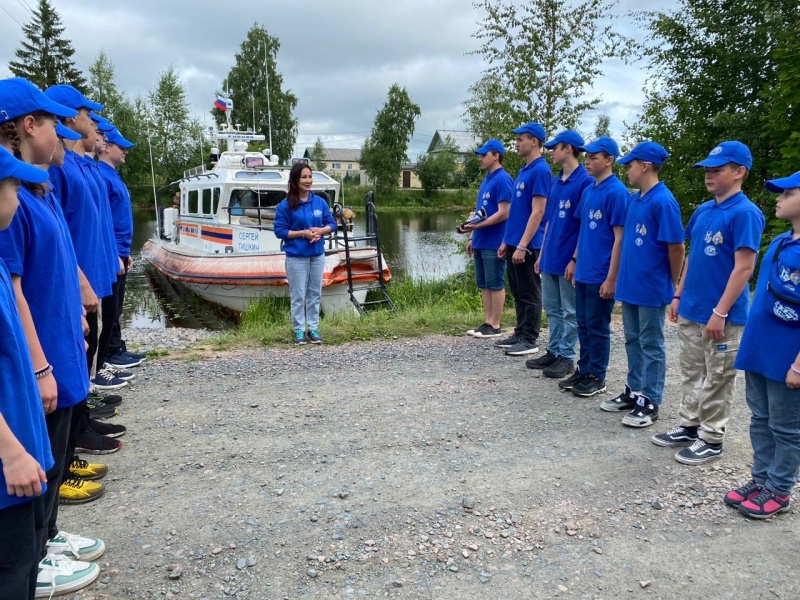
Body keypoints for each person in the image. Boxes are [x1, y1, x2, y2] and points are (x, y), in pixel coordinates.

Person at [0, 77, 101, 598]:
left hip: (61, 348)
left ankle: (48, 538)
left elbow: (58, 264)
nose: (62, 134)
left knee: (56, 453)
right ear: (26, 126)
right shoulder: (12, 201)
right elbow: (16, 291)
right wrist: (40, 366)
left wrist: (80, 306)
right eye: (52, 124)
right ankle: (35, 556)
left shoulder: (38, 189)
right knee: (41, 460)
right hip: (42, 361)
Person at [651, 141, 765, 464]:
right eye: (707, 170)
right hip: (692, 308)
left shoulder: (745, 213)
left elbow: (744, 267)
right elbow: (693, 258)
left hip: (721, 316)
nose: (709, 175)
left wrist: (721, 312)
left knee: (718, 375)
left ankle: (712, 437)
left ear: (739, 172)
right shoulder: (704, 210)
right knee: (691, 370)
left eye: (718, 170)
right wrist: (678, 294)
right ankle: (690, 425)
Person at [723, 172, 800, 518]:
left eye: (788, 192)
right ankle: (761, 479)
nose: (778, 198)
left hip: (788, 357)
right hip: (760, 349)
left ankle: (780, 490)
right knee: (761, 418)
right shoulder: (782, 242)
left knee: (786, 427)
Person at [0, 145, 56, 600]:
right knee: (12, 571)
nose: (19, 197)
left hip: (21, 445)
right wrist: (10, 453)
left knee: (26, 560)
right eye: (14, 186)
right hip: (7, 464)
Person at [601, 142, 685, 428]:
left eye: (630, 165)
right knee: (633, 339)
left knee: (651, 343)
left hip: (651, 285)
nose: (627, 170)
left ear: (645, 165)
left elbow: (676, 247)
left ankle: (651, 399)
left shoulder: (663, 201)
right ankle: (634, 390)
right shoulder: (636, 199)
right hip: (631, 284)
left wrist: (671, 283)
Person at [560, 136, 629, 397]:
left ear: (609, 160)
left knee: (598, 325)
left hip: (602, 273)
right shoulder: (589, 190)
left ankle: (597, 375)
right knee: (584, 323)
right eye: (586, 157)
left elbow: (619, 238)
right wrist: (575, 261)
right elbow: (582, 232)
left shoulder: (617, 193)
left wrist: (612, 278)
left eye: (594, 157)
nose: (587, 161)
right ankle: (584, 368)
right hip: (585, 269)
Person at [529, 130, 592, 378]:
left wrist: (575, 259)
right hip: (551, 255)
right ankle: (553, 350)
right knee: (552, 308)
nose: (551, 151)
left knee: (570, 310)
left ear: (568, 149)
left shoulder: (584, 181)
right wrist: (542, 254)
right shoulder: (556, 182)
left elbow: (583, 227)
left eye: (555, 147)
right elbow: (550, 222)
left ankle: (566, 356)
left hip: (568, 257)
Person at [495, 122, 552, 356]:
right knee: (518, 290)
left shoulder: (540, 170)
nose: (516, 144)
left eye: (521, 139)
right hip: (513, 242)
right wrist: (506, 241)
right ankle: (520, 331)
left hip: (527, 245)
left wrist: (522, 245)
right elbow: (517, 212)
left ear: (534, 142)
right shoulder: (524, 170)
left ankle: (530, 338)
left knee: (530, 291)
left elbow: (538, 212)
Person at [273, 163, 337, 344]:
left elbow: (331, 224)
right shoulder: (286, 205)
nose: (308, 181)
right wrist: (303, 233)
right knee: (298, 294)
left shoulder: (320, 202)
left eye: (310, 177)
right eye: (304, 177)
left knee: (315, 293)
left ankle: (313, 329)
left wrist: (320, 231)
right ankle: (299, 330)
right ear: (295, 180)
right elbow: (280, 231)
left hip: (317, 255)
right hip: (296, 257)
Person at [98, 126, 144, 370]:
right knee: (109, 307)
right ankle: (109, 353)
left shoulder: (113, 175)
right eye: (121, 147)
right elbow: (104, 220)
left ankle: (115, 346)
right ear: (106, 147)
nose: (125, 151)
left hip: (120, 251)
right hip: (112, 252)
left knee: (116, 306)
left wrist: (125, 254)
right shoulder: (103, 176)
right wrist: (115, 253)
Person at [459, 139, 513, 338]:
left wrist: (477, 226)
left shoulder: (503, 179)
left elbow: (504, 212)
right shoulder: (487, 179)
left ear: (496, 155)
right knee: (483, 283)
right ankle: (488, 321)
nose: (480, 159)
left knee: (495, 282)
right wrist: (472, 235)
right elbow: (480, 212)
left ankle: (496, 325)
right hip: (481, 239)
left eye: (484, 155)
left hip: (494, 240)